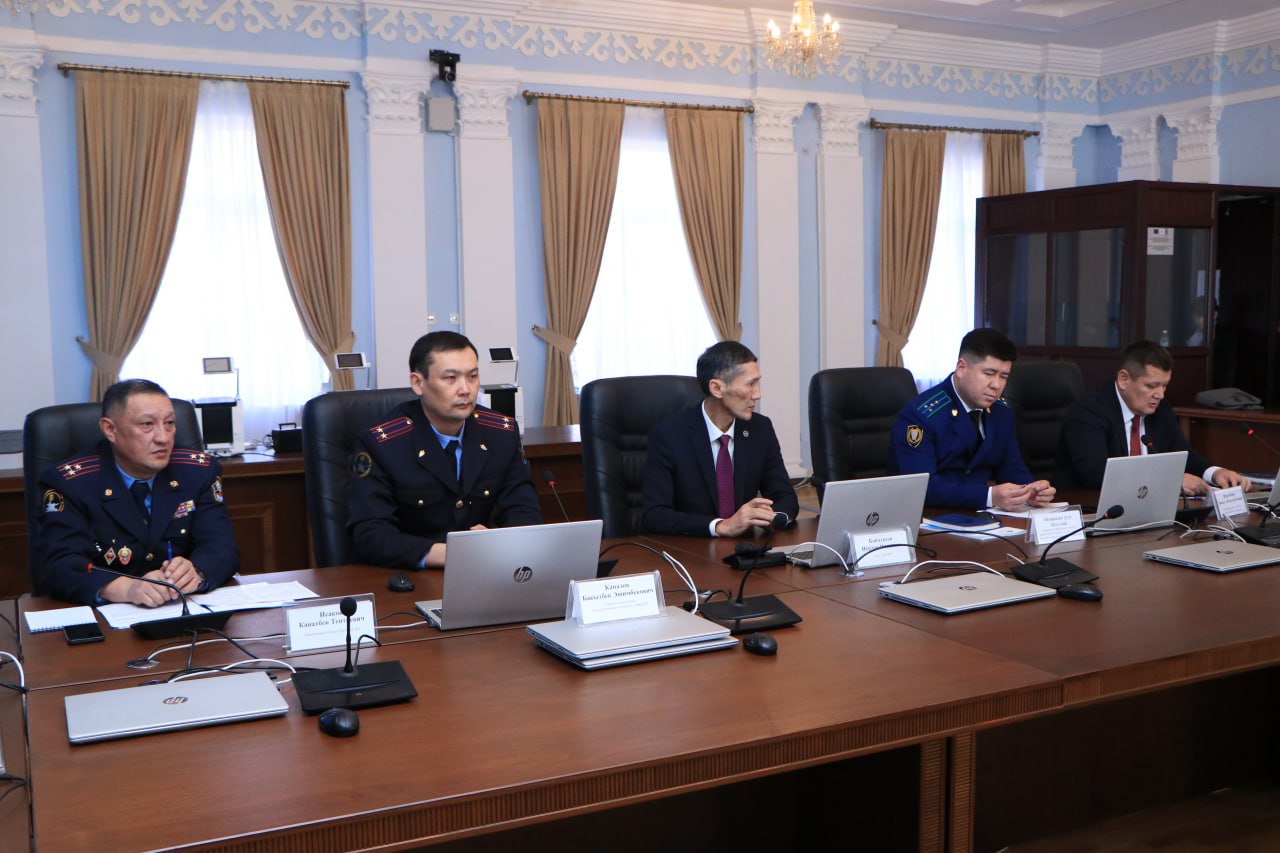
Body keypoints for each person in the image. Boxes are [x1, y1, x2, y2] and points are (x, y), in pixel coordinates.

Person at [32, 379, 239, 606]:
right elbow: (58, 565)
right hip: (107, 616)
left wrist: (196, 572)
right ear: (110, 429)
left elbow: (222, 547)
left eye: (169, 423)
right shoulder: (70, 482)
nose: (163, 437)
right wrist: (126, 588)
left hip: (181, 608)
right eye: (147, 424)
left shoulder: (198, 471)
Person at [347, 331, 542, 569]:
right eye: (451, 378)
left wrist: (499, 542)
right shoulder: (382, 444)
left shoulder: (501, 433)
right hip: (409, 576)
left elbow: (525, 513)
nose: (465, 389)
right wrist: (452, 554)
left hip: (485, 572)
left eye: (472, 376)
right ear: (418, 383)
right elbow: (370, 535)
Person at [642, 341, 799, 537]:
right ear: (717, 388)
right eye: (750, 384)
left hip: (747, 547)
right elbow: (655, 515)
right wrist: (720, 526)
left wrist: (773, 517)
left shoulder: (760, 428)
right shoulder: (669, 436)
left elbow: (785, 497)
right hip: (691, 548)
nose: (757, 394)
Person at [889, 328, 1056, 511]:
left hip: (982, 516)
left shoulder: (1002, 412)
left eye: (1004, 377)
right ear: (962, 368)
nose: (996, 385)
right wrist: (988, 496)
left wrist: (1030, 491)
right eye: (989, 373)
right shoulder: (920, 416)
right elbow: (923, 488)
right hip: (930, 517)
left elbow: (1011, 468)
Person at [1054, 340, 1252, 494]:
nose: (1160, 395)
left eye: (1164, 385)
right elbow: (1097, 474)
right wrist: (1170, 481)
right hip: (1090, 509)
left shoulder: (1160, 409)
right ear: (1124, 380)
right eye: (1152, 386)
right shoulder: (1087, 411)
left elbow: (1184, 455)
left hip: (1146, 506)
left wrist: (1215, 472)